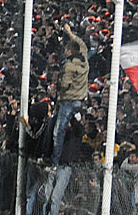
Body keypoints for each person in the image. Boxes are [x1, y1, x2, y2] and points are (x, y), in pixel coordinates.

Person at [51, 22, 89, 167]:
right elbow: (81, 43)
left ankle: (55, 161)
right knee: (76, 132)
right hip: (80, 101)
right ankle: (74, 158)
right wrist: (69, 32)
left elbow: (65, 85)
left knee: (58, 132)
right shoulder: (84, 58)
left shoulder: (68, 65)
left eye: (67, 50)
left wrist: (58, 86)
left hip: (68, 101)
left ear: (70, 51)